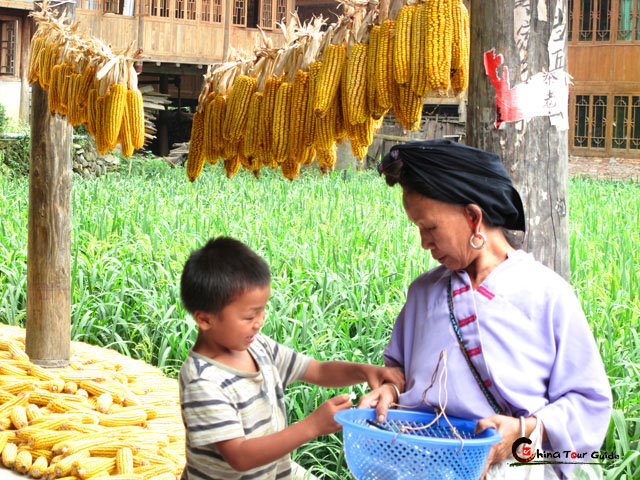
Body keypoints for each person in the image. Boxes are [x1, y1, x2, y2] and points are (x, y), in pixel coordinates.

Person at [358, 139, 612, 480]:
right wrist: (388, 391)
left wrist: (523, 430)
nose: (423, 242)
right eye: (418, 229)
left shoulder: (547, 295)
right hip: (419, 465)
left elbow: (588, 400)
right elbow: (399, 375)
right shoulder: (422, 293)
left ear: (473, 217)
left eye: (430, 228)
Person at [178, 236, 404, 480]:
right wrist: (312, 426)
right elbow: (240, 457)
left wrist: (364, 371)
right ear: (205, 319)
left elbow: (317, 370)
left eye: (263, 309)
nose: (260, 321)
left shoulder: (258, 347)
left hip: (275, 472)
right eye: (249, 316)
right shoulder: (202, 383)